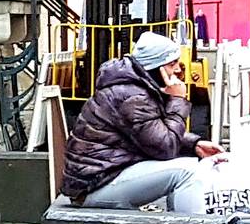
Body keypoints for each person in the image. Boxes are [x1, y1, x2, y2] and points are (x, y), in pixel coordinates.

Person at [62, 31, 224, 214]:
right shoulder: (133, 96)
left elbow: (149, 131)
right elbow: (165, 148)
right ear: (155, 67)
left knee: (188, 167)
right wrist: (178, 100)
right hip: (96, 186)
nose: (178, 69)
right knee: (188, 172)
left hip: (100, 178)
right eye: (172, 64)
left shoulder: (132, 89)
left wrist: (194, 144)